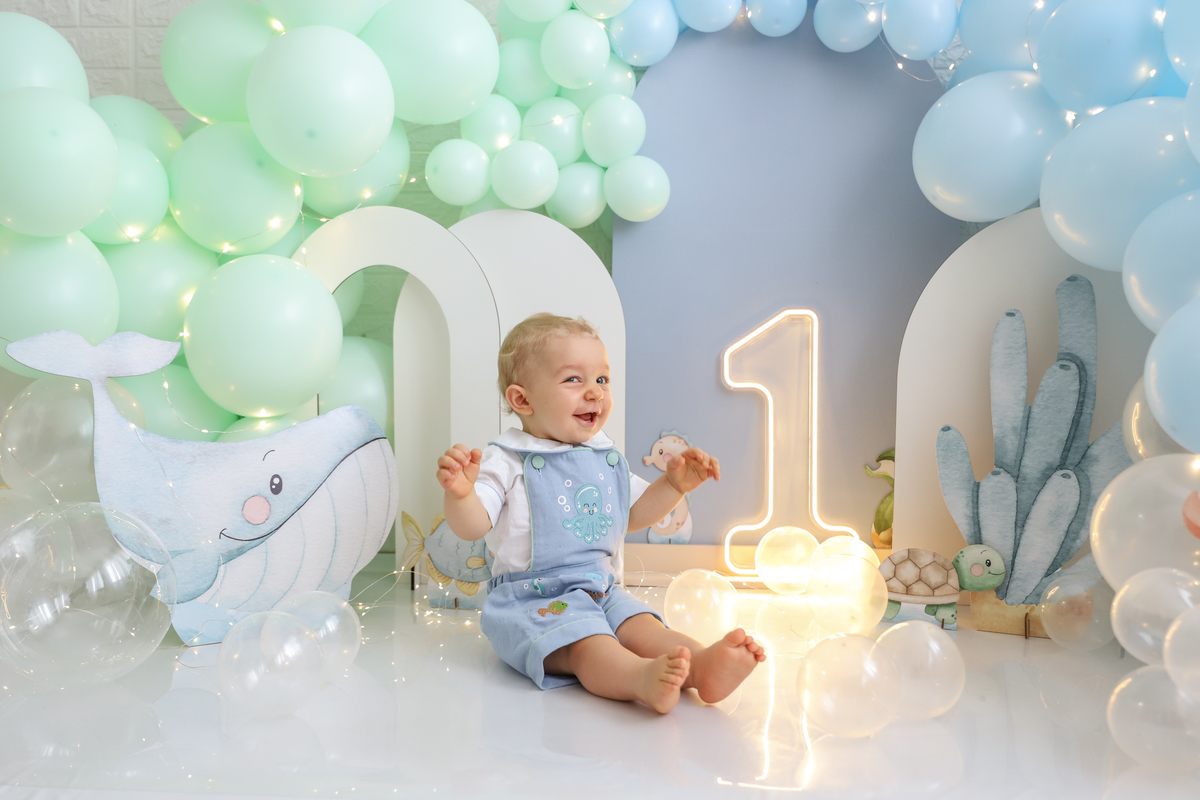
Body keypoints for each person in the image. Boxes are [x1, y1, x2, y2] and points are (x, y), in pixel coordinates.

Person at [437, 313, 764, 713]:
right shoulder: (504, 460)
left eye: (602, 379)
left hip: (601, 590)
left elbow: (633, 514)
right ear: (522, 400)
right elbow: (473, 526)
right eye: (574, 379)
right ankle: (639, 678)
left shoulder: (603, 458)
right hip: (534, 600)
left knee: (642, 626)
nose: (595, 392)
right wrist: (461, 494)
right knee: (588, 643)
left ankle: (702, 666)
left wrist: (674, 485)